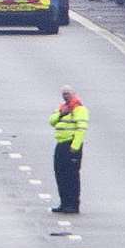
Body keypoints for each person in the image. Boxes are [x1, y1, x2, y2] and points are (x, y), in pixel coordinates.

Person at [48, 86, 89, 214]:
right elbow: (51, 121)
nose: (65, 96)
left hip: (71, 145)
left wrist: (75, 147)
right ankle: (64, 203)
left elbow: (81, 129)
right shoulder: (62, 108)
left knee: (71, 176)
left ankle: (73, 204)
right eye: (64, 94)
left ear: (74, 94)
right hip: (61, 144)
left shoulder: (79, 109)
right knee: (60, 174)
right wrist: (61, 114)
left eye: (68, 94)